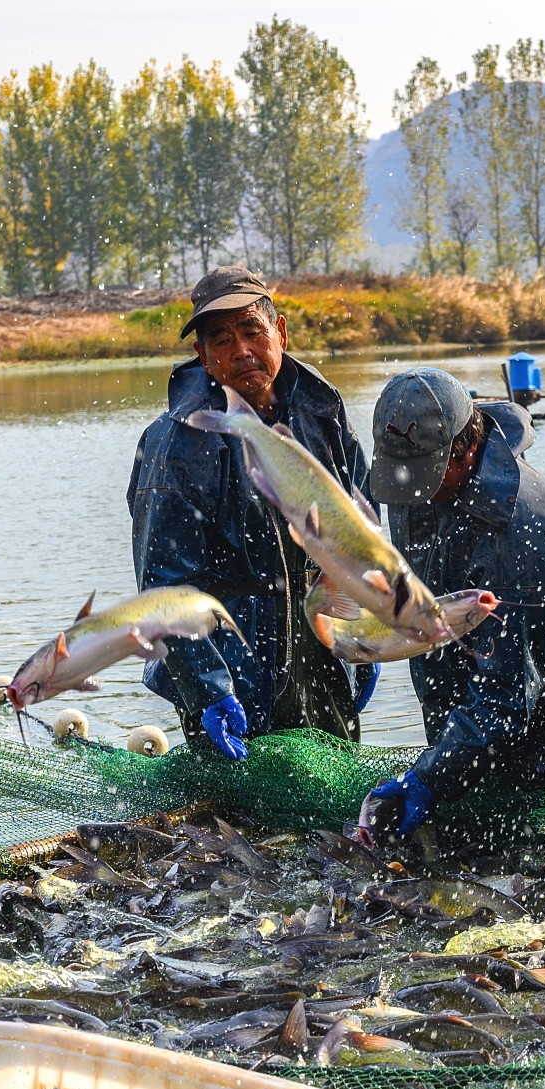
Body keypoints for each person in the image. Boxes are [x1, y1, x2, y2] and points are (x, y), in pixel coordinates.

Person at [127, 266, 375, 759]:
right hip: (231, 665)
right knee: (238, 823)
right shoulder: (174, 445)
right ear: (201, 355)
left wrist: (364, 642)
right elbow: (165, 590)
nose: (240, 350)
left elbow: (360, 535)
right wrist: (208, 690)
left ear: (279, 332)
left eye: (251, 331)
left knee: (331, 821)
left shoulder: (323, 414)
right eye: (220, 339)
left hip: (323, 651)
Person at [359, 370, 545, 835]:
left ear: (467, 448)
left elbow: (510, 692)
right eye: (403, 474)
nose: (411, 490)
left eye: (423, 476)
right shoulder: (412, 480)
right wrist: (368, 646)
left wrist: (431, 775)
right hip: (465, 723)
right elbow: (419, 605)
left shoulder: (523, 527)